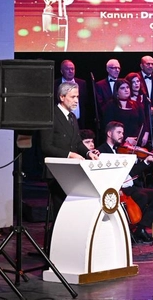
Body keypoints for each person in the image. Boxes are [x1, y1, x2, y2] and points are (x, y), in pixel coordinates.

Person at [41, 82, 100, 234]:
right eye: (72, 97)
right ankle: (58, 241)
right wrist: (70, 155)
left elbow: (78, 143)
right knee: (61, 211)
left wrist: (88, 153)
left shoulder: (72, 117)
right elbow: (46, 146)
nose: (76, 100)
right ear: (62, 97)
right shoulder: (51, 115)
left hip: (73, 171)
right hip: (57, 171)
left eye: (77, 97)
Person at [97, 121, 153, 242]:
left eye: (122, 133)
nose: (122, 135)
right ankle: (129, 230)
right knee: (142, 197)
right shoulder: (101, 151)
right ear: (109, 133)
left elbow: (131, 172)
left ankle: (141, 228)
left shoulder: (120, 150)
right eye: (119, 132)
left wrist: (146, 161)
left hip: (128, 186)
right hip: (117, 188)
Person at [103, 81, 149, 146]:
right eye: (122, 88)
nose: (126, 90)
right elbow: (109, 125)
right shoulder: (111, 105)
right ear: (116, 92)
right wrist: (125, 138)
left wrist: (145, 134)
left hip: (137, 141)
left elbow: (143, 123)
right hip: (119, 142)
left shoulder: (137, 104)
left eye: (127, 87)